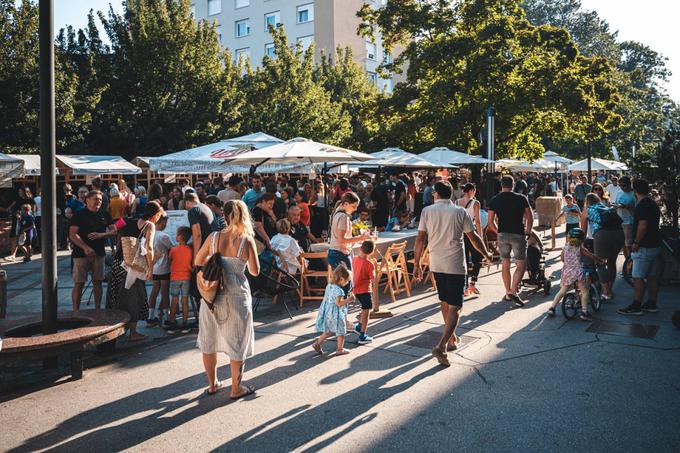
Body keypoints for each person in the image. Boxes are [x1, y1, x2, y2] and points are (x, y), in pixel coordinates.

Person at [414, 181, 492, 367]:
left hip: (436, 263)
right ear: (450, 194)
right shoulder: (459, 212)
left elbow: (419, 239)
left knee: (445, 301)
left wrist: (417, 263)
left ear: (436, 194)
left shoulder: (427, 211)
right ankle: (442, 346)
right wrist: (486, 253)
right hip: (455, 264)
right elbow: (474, 238)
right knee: (456, 306)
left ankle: (451, 338)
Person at [194, 200, 260, 398]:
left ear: (224, 215)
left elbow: (198, 260)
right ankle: (236, 388)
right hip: (237, 294)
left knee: (209, 339)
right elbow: (255, 272)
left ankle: (213, 384)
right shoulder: (246, 240)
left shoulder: (213, 237)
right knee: (237, 342)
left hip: (212, 295)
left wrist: (215, 261)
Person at [108, 201, 164, 341]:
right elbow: (149, 247)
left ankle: (113, 329)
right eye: (159, 216)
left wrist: (100, 235)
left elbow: (114, 229)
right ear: (156, 214)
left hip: (117, 263)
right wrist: (150, 268)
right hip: (132, 267)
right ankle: (133, 333)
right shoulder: (149, 224)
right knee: (133, 298)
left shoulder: (127, 218)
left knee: (116, 296)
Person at [487, 175, 533, 307]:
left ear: (501, 185)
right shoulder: (521, 198)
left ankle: (508, 292)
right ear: (513, 184)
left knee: (505, 264)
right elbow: (529, 217)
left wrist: (498, 232)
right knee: (520, 265)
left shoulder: (495, 199)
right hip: (518, 234)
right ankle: (513, 290)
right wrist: (528, 231)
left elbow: (490, 222)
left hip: (502, 234)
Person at [618, 179, 663, 316]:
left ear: (635, 190)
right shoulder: (651, 203)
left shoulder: (642, 205)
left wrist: (636, 242)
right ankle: (651, 303)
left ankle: (636, 305)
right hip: (655, 244)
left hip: (644, 246)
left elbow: (643, 225)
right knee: (652, 276)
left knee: (637, 277)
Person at [69, 190, 116, 310]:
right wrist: (85, 247)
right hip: (81, 254)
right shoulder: (79, 214)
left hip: (99, 253)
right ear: (87, 200)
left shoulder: (105, 214)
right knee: (79, 283)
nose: (98, 202)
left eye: (100, 200)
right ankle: (75, 311)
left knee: (98, 282)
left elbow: (114, 230)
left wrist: (102, 235)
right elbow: (73, 234)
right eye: (95, 199)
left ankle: (98, 309)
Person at [546, 228, 604, 321]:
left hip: (567, 272)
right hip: (578, 273)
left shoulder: (565, 248)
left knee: (562, 291)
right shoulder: (580, 248)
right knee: (585, 291)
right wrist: (600, 260)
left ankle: (552, 308)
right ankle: (584, 312)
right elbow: (591, 256)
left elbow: (562, 259)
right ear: (582, 240)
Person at [581, 193, 624, 301]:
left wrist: (581, 244)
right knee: (611, 262)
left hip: (602, 235)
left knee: (600, 262)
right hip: (619, 234)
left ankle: (605, 292)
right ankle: (610, 289)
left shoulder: (587, 210)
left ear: (587, 202)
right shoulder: (606, 208)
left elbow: (583, 231)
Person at [328, 192, 369, 295]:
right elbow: (342, 239)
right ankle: (341, 310)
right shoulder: (343, 217)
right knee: (345, 288)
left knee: (340, 288)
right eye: (353, 206)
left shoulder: (337, 214)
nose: (355, 209)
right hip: (340, 253)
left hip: (336, 252)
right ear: (345, 204)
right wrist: (360, 238)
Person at [311, 264, 355, 356]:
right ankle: (340, 349)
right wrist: (349, 299)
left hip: (327, 312)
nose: (347, 283)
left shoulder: (329, 285)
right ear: (342, 279)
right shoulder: (339, 291)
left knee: (329, 331)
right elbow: (338, 304)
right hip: (336, 314)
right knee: (341, 331)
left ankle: (317, 343)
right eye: (347, 281)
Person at [456, 183, 484, 295]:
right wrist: (480, 237)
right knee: (478, 258)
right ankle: (473, 283)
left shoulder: (457, 202)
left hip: (460, 234)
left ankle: (465, 286)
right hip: (472, 233)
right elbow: (477, 221)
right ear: (472, 190)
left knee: (464, 260)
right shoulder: (475, 203)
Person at [166, 226, 193, 334]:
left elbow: (169, 261)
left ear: (180, 237)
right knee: (185, 301)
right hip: (186, 277)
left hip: (175, 278)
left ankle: (172, 323)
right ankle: (185, 323)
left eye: (177, 234)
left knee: (174, 300)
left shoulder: (173, 250)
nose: (175, 236)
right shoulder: (189, 250)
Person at [147, 213, 172, 327]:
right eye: (165, 223)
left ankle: (151, 316)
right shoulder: (164, 236)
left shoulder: (149, 234)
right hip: (164, 267)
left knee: (154, 291)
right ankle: (167, 317)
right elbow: (171, 248)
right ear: (161, 222)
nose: (165, 225)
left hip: (153, 267)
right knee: (165, 293)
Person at [352, 240, 377, 345]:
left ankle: (359, 326)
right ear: (371, 252)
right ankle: (363, 335)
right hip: (365, 290)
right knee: (366, 311)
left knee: (364, 308)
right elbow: (373, 278)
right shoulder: (369, 264)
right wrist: (374, 266)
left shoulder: (354, 260)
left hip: (355, 289)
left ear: (360, 248)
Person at [185, 192, 217, 265]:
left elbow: (197, 234)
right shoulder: (207, 208)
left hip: (203, 253)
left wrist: (196, 257)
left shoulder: (193, 210)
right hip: (213, 250)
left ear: (187, 202)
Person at [614, 176, 635, 257]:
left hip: (629, 222)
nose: (622, 187)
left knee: (628, 245)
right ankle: (627, 261)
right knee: (622, 244)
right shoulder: (619, 192)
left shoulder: (634, 194)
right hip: (619, 221)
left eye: (624, 185)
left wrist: (626, 207)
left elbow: (636, 209)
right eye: (620, 185)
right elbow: (616, 204)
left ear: (630, 184)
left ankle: (629, 262)